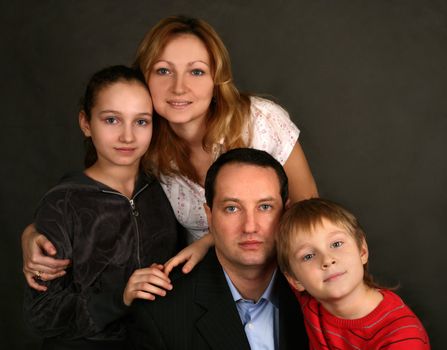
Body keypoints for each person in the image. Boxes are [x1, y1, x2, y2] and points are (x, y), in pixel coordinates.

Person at [21, 15, 318, 290]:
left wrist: (207, 242)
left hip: (283, 274)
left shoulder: (261, 121)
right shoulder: (143, 141)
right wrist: (34, 233)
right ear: (143, 79)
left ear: (216, 81)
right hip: (206, 288)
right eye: (163, 71)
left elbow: (310, 211)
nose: (179, 88)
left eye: (197, 72)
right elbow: (103, 194)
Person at [23, 65, 184, 349]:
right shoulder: (63, 202)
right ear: (86, 123)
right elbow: (42, 315)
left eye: (141, 121)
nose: (128, 137)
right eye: (112, 120)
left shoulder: (164, 189)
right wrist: (119, 296)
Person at [127, 148, 308, 349]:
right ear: (209, 216)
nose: (250, 226)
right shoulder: (160, 314)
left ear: (285, 212)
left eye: (265, 207)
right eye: (232, 208)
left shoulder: (318, 287)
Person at [276, 198, 430, 349]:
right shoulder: (309, 300)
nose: (327, 260)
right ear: (295, 279)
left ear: (362, 251)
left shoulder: (401, 337)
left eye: (336, 244)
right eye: (308, 256)